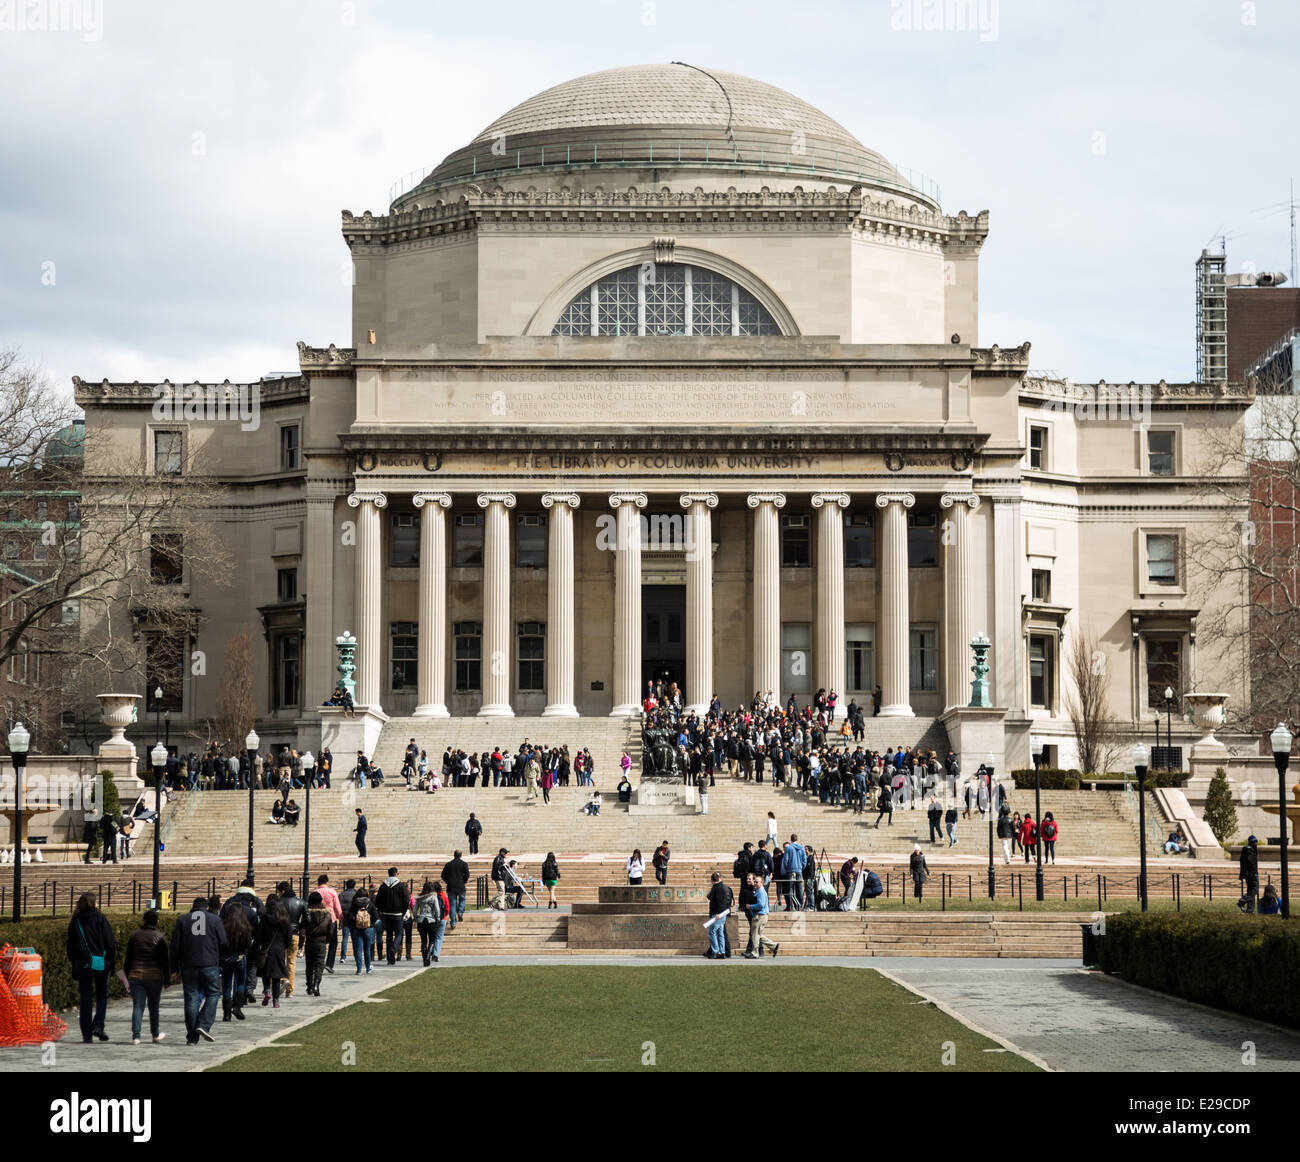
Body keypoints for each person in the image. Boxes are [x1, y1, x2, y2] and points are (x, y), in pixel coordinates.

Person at [171, 895, 227, 1044]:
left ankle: (192, 1037)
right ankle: (203, 1023)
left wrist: (173, 968)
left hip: (188, 964)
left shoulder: (182, 920)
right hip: (209, 963)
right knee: (213, 993)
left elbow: (175, 946)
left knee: (191, 999)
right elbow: (223, 941)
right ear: (206, 907)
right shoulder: (214, 919)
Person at [67, 892, 116, 1043]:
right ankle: (98, 1025)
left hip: (82, 962)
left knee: (85, 997)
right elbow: (110, 941)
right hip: (99, 961)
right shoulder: (100, 918)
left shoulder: (76, 920)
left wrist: (74, 963)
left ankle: (86, 1034)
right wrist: (111, 961)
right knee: (102, 994)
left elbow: (70, 946)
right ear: (94, 903)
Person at [123, 909, 170, 1044]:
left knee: (138, 1006)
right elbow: (164, 961)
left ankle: (136, 1036)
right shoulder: (160, 937)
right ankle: (155, 1034)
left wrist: (126, 976)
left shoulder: (135, 936)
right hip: (154, 976)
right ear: (157, 922)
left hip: (136, 975)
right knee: (153, 1007)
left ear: (143, 920)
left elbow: (128, 958)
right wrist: (167, 979)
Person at [217, 897, 252, 1023]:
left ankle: (226, 1014)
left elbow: (221, 943)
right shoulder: (245, 926)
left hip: (227, 958)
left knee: (227, 985)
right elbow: (248, 944)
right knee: (241, 982)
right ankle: (237, 1006)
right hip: (240, 957)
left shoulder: (224, 926)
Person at [256, 896, 290, 1006]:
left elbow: (259, 935)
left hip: (267, 947)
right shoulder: (285, 919)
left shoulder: (265, 918)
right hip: (279, 948)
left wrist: (258, 946)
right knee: (277, 975)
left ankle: (267, 991)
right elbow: (288, 937)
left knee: (265, 973)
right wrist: (285, 945)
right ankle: (276, 1000)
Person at [376, 867, 411, 965]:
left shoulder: (383, 886)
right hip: (397, 914)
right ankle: (393, 949)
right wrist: (403, 911)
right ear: (396, 874)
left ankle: (389, 958)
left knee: (389, 935)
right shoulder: (401, 886)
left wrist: (381, 910)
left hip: (386, 914)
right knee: (399, 934)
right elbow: (406, 900)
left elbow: (378, 901)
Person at [743, 874, 779, 959]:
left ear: (762, 883)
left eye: (757, 882)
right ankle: (773, 946)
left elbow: (761, 905)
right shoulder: (759, 891)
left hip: (760, 915)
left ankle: (755, 953)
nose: (755, 883)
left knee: (755, 934)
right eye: (754, 882)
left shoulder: (761, 892)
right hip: (760, 915)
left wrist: (750, 906)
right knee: (756, 934)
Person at [303, 892, 332, 995]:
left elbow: (303, 928)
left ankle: (310, 986)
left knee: (309, 965)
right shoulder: (327, 914)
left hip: (310, 940)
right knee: (319, 965)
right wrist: (327, 940)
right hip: (321, 941)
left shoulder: (307, 913)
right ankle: (316, 984)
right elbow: (330, 929)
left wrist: (301, 943)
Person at [346, 884, 378, 973]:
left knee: (358, 950)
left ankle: (359, 969)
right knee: (367, 949)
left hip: (356, 928)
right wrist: (371, 923)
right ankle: (368, 968)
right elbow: (375, 916)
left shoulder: (354, 903)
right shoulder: (370, 903)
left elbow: (349, 917)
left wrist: (353, 925)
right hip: (368, 928)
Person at [415, 879, 444, 964]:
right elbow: (437, 909)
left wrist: (417, 918)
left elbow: (414, 910)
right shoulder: (433, 897)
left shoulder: (419, 898)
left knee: (423, 940)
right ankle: (428, 956)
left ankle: (424, 959)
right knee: (432, 940)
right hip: (431, 920)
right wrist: (438, 918)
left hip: (421, 920)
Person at [705, 871, 733, 959]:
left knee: (711, 932)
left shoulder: (718, 888)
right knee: (720, 933)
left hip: (717, 914)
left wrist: (718, 914)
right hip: (722, 913)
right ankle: (722, 952)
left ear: (712, 880)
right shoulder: (722, 887)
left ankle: (716, 951)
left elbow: (721, 902)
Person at [441, 850, 470, 929]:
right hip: (461, 886)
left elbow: (443, 875)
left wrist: (448, 881)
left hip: (451, 887)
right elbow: (467, 875)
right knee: (462, 899)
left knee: (452, 904)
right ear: (461, 855)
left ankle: (453, 922)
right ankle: (460, 911)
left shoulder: (448, 864)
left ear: (454, 855)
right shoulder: (464, 864)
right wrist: (464, 881)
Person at [1239, 835, 1259, 913]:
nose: (1257, 844)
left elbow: (1242, 863)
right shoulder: (1250, 851)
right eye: (1256, 842)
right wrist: (1254, 873)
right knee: (1255, 889)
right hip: (1252, 874)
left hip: (1247, 875)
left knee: (1250, 890)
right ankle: (1242, 901)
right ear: (1253, 842)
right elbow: (1251, 863)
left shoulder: (1245, 850)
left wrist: (1242, 874)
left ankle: (1250, 910)